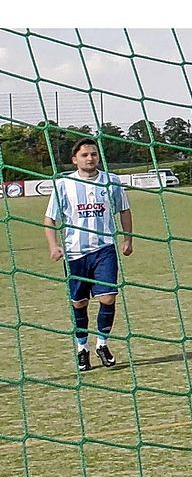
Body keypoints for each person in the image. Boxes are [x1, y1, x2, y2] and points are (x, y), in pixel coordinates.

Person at [43, 138, 133, 371]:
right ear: (75, 159)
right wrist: (54, 246)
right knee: (79, 303)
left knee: (108, 297)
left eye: (93, 154)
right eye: (84, 155)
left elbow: (124, 209)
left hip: (104, 249)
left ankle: (102, 344)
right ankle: (82, 349)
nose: (90, 158)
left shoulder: (111, 181)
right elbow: (50, 218)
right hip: (75, 253)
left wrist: (127, 239)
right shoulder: (63, 184)